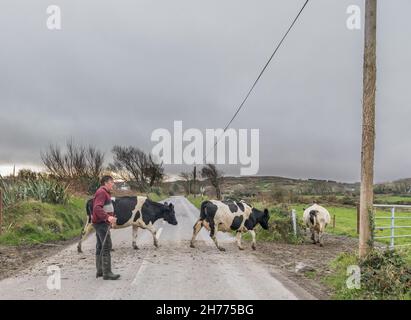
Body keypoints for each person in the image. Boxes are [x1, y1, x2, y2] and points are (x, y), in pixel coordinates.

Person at [92, 175, 120, 280]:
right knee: (107, 245)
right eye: (111, 182)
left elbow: (102, 207)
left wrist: (110, 217)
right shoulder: (102, 192)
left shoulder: (104, 192)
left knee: (100, 246)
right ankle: (107, 273)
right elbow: (97, 208)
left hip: (100, 223)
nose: (113, 184)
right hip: (101, 223)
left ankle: (100, 271)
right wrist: (108, 217)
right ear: (106, 183)